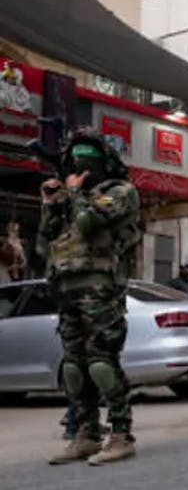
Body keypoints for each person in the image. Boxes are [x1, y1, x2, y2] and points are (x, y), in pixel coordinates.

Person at [42, 129, 143, 466]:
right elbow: (45, 245)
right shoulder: (73, 199)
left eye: (88, 154)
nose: (81, 159)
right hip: (68, 289)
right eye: (76, 154)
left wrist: (73, 194)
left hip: (101, 288)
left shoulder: (120, 192)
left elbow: (88, 223)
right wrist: (50, 206)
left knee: (102, 362)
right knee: (74, 367)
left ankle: (121, 435)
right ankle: (86, 435)